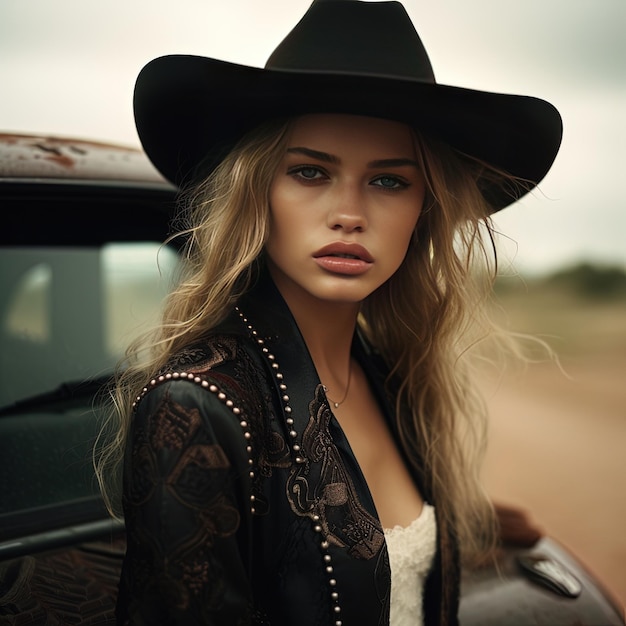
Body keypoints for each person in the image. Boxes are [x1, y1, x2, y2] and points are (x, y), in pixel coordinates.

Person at [96, 1, 561, 624]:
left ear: (424, 208)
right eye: (310, 171)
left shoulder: (392, 378)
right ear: (258, 191)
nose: (349, 212)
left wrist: (459, 526)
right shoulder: (197, 405)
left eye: (389, 181)